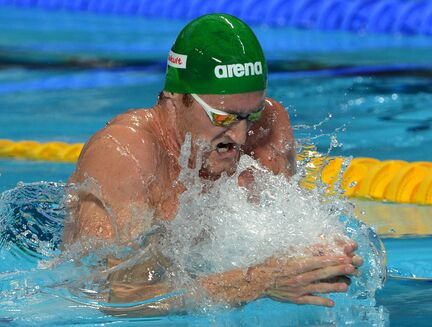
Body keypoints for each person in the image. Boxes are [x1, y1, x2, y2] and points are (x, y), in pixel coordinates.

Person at [62, 14, 362, 315]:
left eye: (250, 115)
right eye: (223, 117)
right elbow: (125, 298)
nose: (240, 135)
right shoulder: (127, 154)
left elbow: (280, 223)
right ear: (176, 98)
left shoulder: (269, 125)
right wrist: (258, 282)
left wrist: (318, 255)